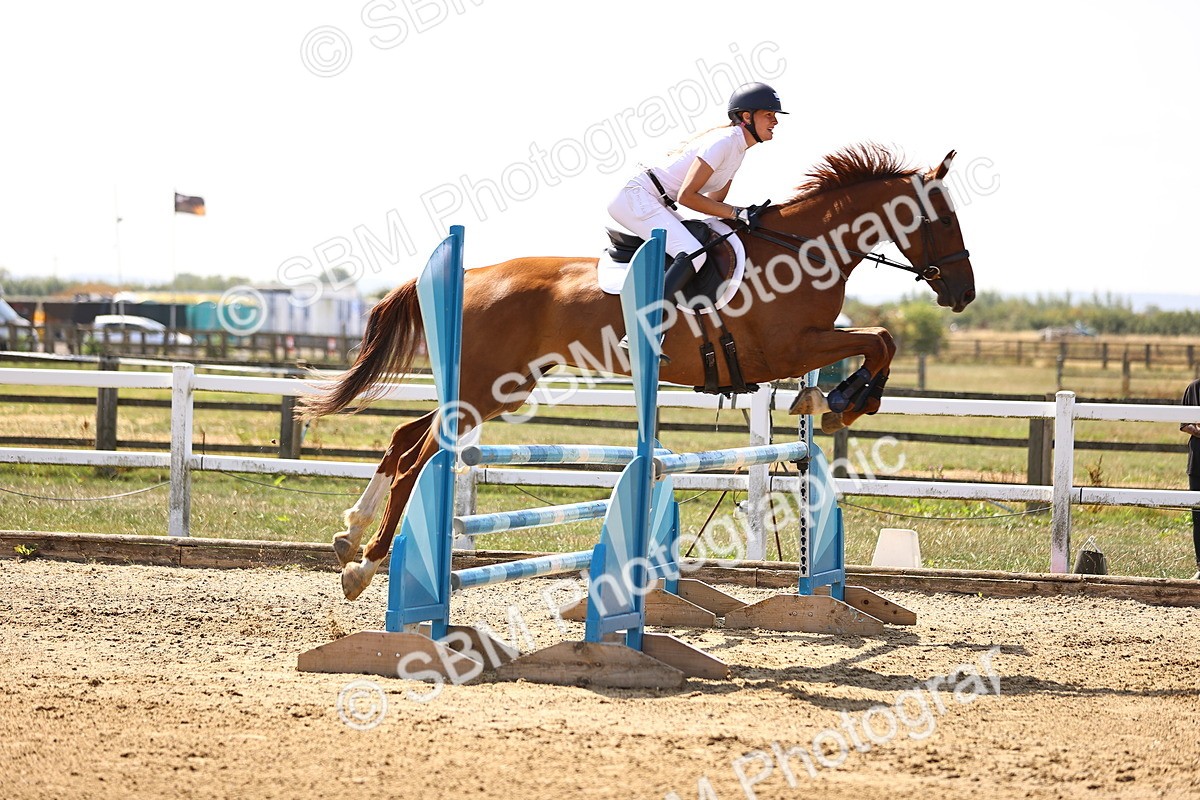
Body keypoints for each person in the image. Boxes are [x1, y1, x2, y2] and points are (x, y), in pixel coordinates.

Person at [607, 82, 785, 358]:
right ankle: (642, 330)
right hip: (638, 198)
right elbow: (690, 197)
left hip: (656, 201)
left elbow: (712, 206)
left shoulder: (737, 150)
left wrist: (740, 217)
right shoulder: (724, 143)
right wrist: (736, 212)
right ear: (746, 117)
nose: (775, 121)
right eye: (769, 114)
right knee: (693, 253)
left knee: (705, 243)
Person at [1181, 378, 1200, 579]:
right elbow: (1185, 424)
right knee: (1198, 515)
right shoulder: (1194, 388)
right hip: (1198, 462)